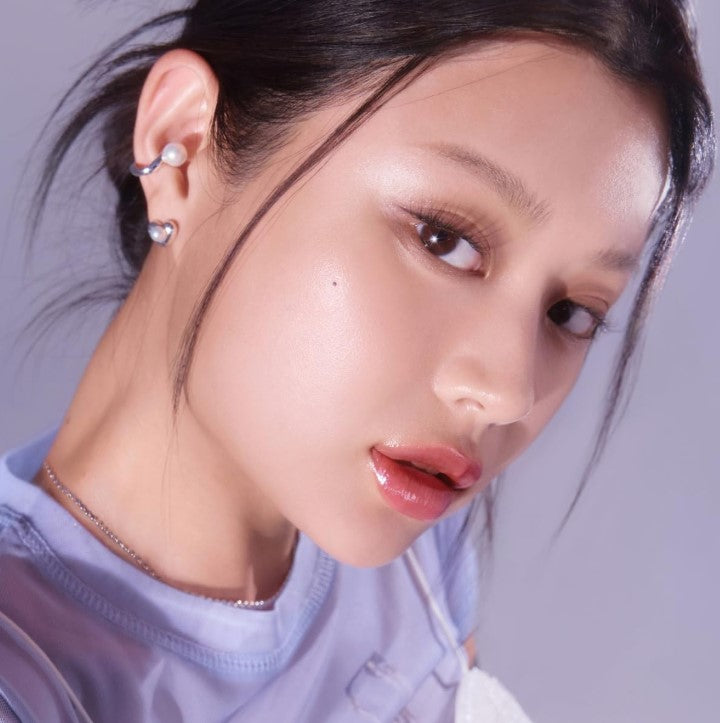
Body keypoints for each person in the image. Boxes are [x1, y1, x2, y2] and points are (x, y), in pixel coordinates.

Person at [0, 1, 714, 721]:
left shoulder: (410, 543)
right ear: (181, 144)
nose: (507, 390)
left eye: (570, 312)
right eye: (443, 239)